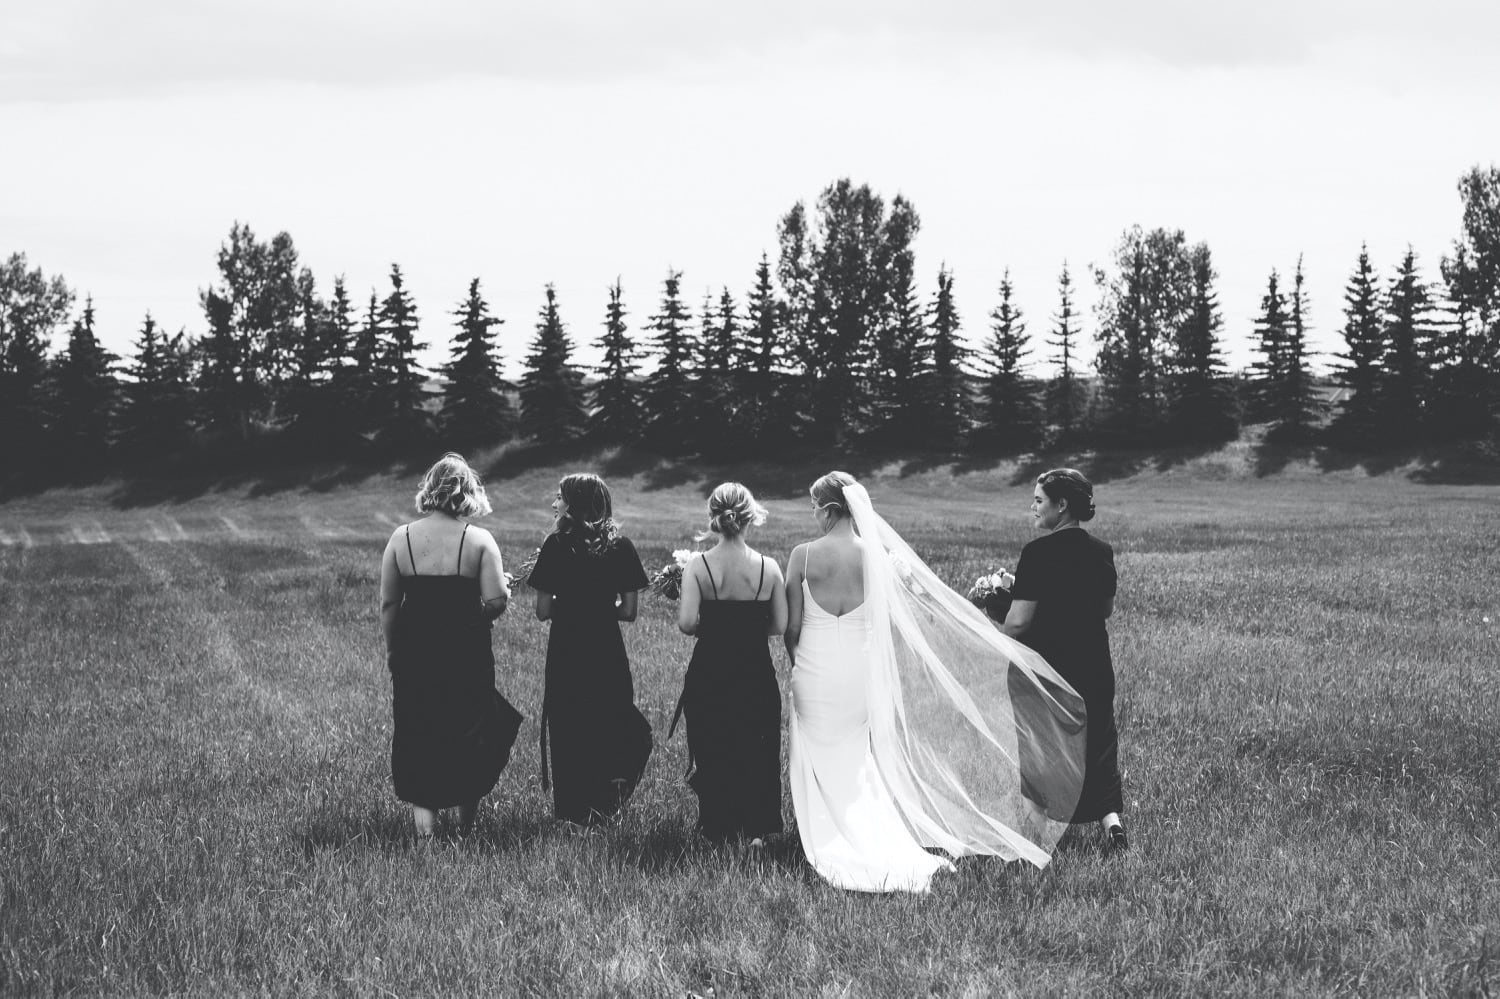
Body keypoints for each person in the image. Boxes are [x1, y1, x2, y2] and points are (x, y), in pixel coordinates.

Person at [785, 472, 1088, 893]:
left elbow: (792, 626)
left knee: (816, 753)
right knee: (856, 759)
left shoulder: (801, 556)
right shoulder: (874, 557)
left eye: (815, 507)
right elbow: (882, 622)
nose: (813, 515)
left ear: (831, 509)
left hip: (814, 671)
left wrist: (798, 664)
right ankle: (863, 827)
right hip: (857, 674)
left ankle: (822, 833)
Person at [378, 452, 522, 838]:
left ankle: (425, 834)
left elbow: (389, 603)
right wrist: (476, 610)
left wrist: (394, 652)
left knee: (418, 729)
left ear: (430, 489)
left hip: (415, 650)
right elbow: (497, 600)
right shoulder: (479, 540)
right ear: (467, 493)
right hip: (466, 651)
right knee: (468, 727)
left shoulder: (401, 537)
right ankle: (465, 825)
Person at [1001, 468, 1126, 850]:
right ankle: (1112, 822)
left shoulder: (1037, 554)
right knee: (1099, 743)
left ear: (1062, 505)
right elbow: (1104, 610)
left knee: (1041, 745)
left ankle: (1039, 830)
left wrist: (999, 606)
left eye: (1039, 500)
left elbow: (1019, 623)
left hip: (1046, 671)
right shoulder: (1101, 551)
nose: (1033, 507)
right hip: (1092, 666)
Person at [528, 473, 653, 826]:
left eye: (559, 497)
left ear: (574, 504)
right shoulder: (621, 546)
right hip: (605, 647)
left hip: (566, 645)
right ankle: (607, 803)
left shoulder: (555, 545)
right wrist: (599, 608)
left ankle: (570, 814)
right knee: (612, 720)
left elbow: (541, 611)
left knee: (568, 724)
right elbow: (628, 611)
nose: (555, 503)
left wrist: (572, 606)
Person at [670, 482, 788, 844]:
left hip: (710, 672)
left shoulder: (698, 567)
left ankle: (717, 826)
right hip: (754, 672)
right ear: (750, 517)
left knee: (714, 744)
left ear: (713, 518)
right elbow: (780, 625)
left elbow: (688, 623)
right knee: (758, 747)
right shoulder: (769, 568)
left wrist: (718, 624)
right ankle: (760, 829)